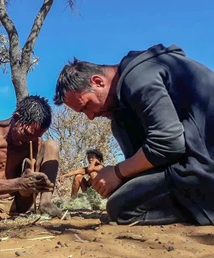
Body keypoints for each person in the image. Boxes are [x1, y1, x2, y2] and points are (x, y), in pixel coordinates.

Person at [53, 43, 214, 225]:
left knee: (120, 207)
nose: (90, 116)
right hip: (199, 159)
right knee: (120, 123)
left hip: (205, 169)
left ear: (98, 82)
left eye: (86, 106)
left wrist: (117, 172)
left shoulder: (139, 78)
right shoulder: (146, 70)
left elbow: (169, 142)